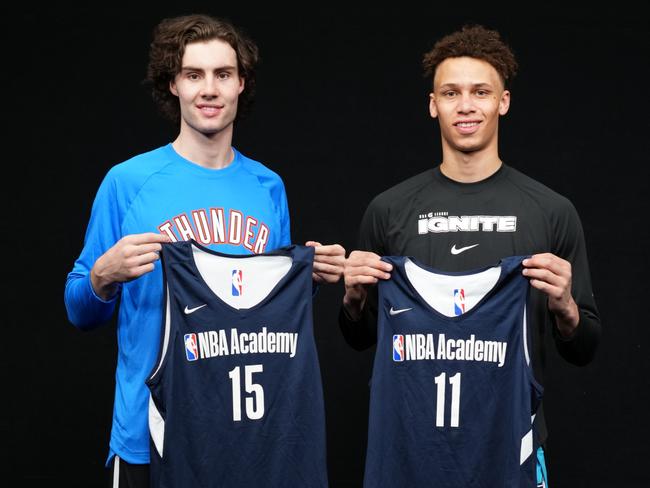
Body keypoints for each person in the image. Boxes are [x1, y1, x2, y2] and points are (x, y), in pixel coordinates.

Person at [64, 13, 344, 487]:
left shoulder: (267, 186)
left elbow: (262, 311)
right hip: (147, 436)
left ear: (241, 84)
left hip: (245, 434)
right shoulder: (128, 183)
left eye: (222, 74)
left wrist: (308, 281)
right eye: (194, 75)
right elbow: (79, 310)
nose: (208, 89)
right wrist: (102, 277)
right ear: (173, 85)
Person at [339, 24, 600, 487]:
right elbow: (361, 339)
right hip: (411, 448)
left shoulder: (551, 211)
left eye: (481, 92)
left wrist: (566, 307)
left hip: (512, 443)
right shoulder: (390, 209)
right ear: (432, 105)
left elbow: (584, 348)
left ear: (503, 102)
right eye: (451, 92)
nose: (465, 106)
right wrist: (353, 298)